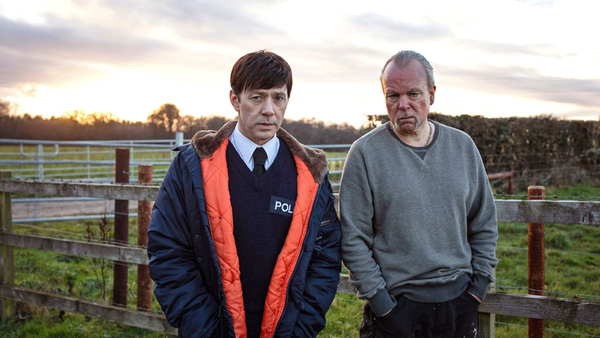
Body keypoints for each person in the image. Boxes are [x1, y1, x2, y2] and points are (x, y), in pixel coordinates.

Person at [148, 50, 341, 338]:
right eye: (257, 97)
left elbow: (325, 258)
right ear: (235, 100)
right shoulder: (192, 167)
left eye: (278, 98)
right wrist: (204, 329)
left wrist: (300, 328)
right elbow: (168, 251)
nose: (269, 110)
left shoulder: (311, 174)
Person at [339, 50, 498, 338]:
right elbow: (353, 240)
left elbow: (484, 222)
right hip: (395, 309)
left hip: (459, 303)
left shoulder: (462, 147)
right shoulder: (365, 153)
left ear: (432, 94)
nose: (403, 105)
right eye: (392, 96)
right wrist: (383, 305)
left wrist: (477, 291)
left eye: (413, 94)